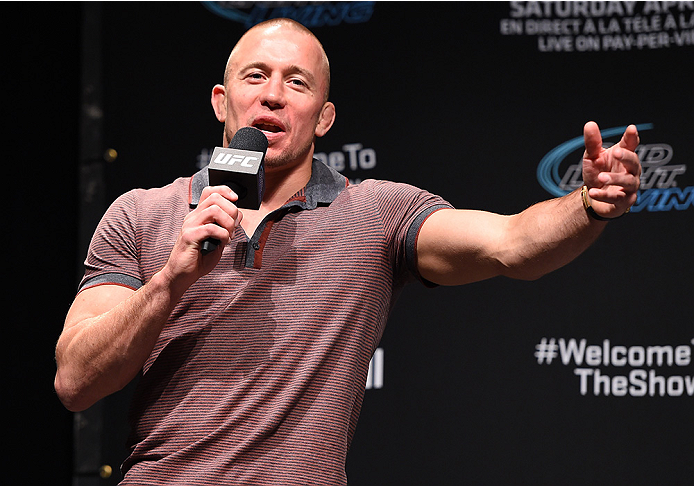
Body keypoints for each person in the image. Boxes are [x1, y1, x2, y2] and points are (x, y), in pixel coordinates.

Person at [54, 18, 641, 485]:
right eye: (255, 77)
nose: (274, 97)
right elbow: (75, 381)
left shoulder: (377, 213)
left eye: (297, 82)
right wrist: (171, 280)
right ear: (220, 100)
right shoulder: (141, 213)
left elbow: (513, 245)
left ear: (324, 117)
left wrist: (588, 203)